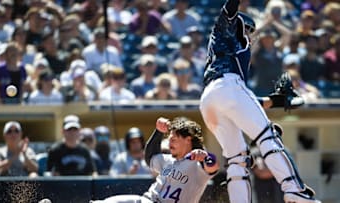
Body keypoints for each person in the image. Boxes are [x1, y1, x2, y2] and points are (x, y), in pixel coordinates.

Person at [199, 1, 320, 203]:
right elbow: (229, 9)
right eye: (247, 29)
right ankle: (293, 189)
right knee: (268, 137)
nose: (249, 34)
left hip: (210, 99)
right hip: (228, 86)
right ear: (239, 24)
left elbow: (237, 103)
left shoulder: (227, 51)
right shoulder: (225, 29)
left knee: (237, 160)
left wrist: (273, 101)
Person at [90, 117, 219, 203]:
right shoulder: (167, 159)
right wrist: (158, 132)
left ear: (188, 140)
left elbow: (212, 167)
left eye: (173, 140)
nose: (170, 143)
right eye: (169, 139)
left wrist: (207, 157)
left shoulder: (196, 165)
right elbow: (150, 156)